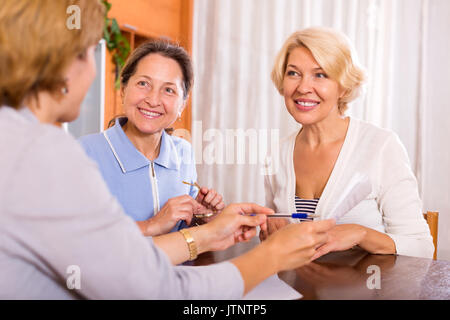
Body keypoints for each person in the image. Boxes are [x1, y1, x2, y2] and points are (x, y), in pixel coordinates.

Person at [0, 0, 335, 299]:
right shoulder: (47, 156)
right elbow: (145, 283)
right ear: (62, 62)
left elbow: (120, 259)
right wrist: (273, 255)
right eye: (91, 53)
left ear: (182, 103)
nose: (92, 68)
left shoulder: (19, 140)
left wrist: (209, 231)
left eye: (169, 90)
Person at [260, 27, 434, 259]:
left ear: (344, 86)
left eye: (320, 75)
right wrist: (271, 235)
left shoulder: (381, 146)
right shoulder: (277, 154)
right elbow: (280, 243)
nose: (303, 87)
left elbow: (421, 248)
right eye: (293, 73)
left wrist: (361, 234)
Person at [79, 40, 223, 236]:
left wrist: (202, 216)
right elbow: (79, 235)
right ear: (123, 89)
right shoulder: (84, 153)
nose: (153, 100)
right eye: (143, 83)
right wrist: (152, 224)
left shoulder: (183, 152)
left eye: (169, 90)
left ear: (182, 104)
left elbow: (185, 233)